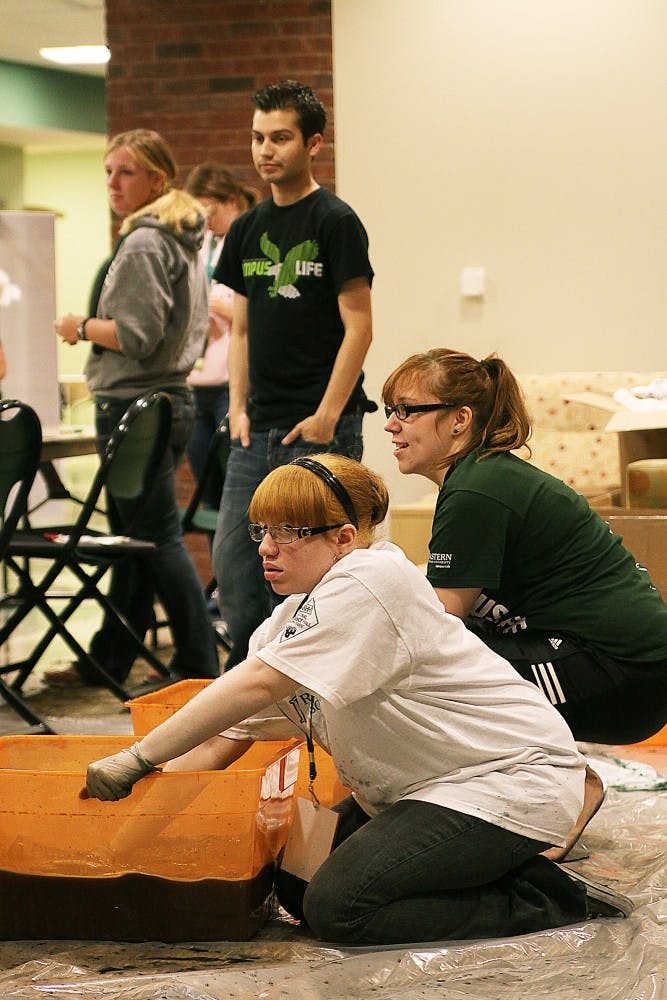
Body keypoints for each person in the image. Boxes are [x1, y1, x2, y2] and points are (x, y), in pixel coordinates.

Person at [85, 454, 633, 945]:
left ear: (344, 538)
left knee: (339, 909)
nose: (268, 548)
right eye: (262, 530)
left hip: (504, 779)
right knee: (297, 888)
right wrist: (121, 845)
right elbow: (222, 741)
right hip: (420, 789)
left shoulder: (372, 579)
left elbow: (254, 685)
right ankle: (495, 870)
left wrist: (136, 756)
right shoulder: (285, 624)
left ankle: (543, 899)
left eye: (290, 531)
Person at [382, 348, 667, 855]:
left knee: (432, 674)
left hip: (628, 671)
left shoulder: (478, 488)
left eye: (406, 410)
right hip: (613, 659)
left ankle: (573, 784)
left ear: (459, 420)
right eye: (389, 410)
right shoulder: (478, 477)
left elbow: (439, 617)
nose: (391, 426)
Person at [211, 79, 375, 669]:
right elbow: (243, 329)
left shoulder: (335, 221)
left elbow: (359, 326)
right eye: (257, 138)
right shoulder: (248, 228)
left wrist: (329, 414)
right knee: (236, 565)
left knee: (325, 571)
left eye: (280, 138)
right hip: (258, 429)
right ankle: (252, 684)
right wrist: (237, 407)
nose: (265, 150)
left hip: (323, 426)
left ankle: (316, 682)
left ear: (313, 144)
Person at [48, 128, 219, 687]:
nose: (112, 184)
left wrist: (79, 328)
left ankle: (196, 662)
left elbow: (138, 335)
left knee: (158, 540)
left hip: (136, 403)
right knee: (135, 542)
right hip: (162, 398)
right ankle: (114, 658)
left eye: (125, 172)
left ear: (157, 179)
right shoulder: (179, 237)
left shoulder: (147, 242)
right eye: (107, 171)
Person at [183, 163, 258, 510]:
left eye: (209, 211)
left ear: (229, 200)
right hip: (199, 378)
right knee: (208, 497)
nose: (205, 220)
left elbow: (263, 312)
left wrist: (226, 310)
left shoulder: (251, 234)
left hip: (234, 380)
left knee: (239, 495)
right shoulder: (205, 242)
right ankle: (217, 565)